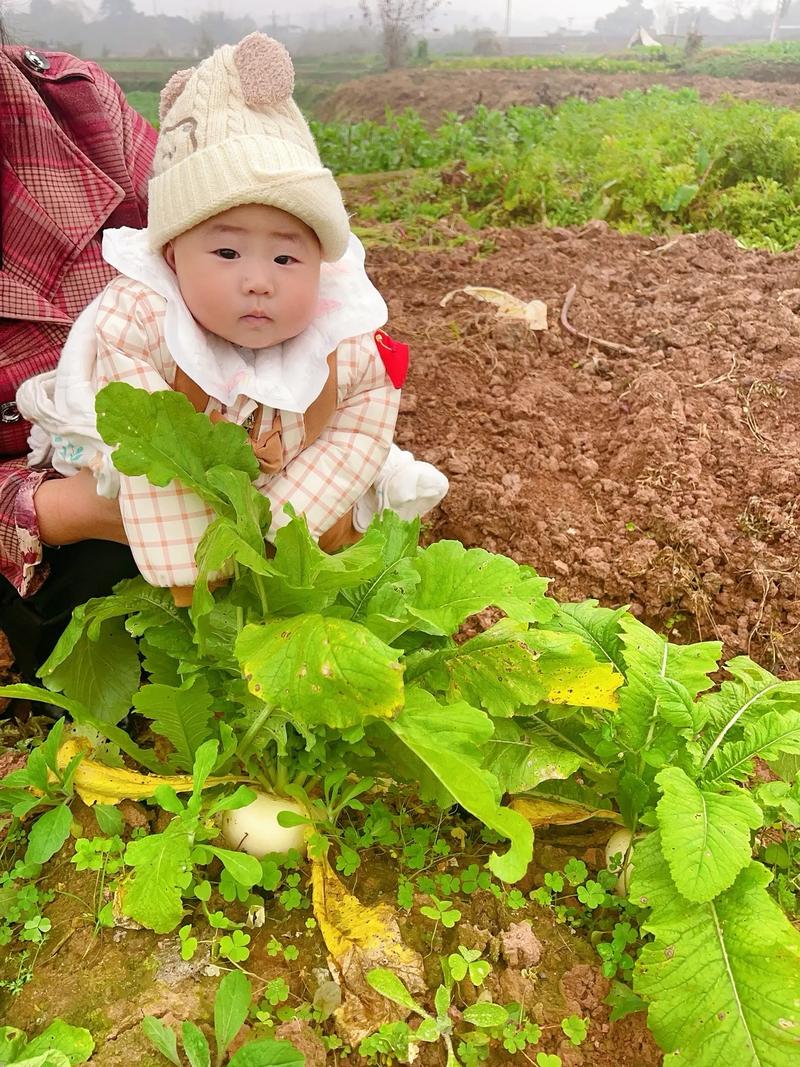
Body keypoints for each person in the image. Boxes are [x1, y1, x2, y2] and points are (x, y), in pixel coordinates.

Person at [18, 32, 448, 606]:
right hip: (126, 513)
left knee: (355, 530)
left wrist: (284, 524)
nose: (258, 280)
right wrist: (195, 572)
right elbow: (150, 440)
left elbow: (359, 428)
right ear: (171, 257)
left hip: (289, 473)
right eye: (226, 254)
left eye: (287, 258)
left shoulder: (343, 336)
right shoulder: (139, 321)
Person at [0, 23, 157, 674]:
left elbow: (242, 236)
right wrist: (67, 510)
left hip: (177, 446)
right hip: (47, 523)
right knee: (100, 590)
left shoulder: (77, 106)